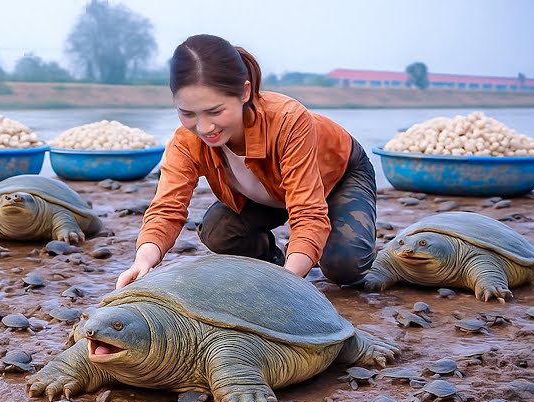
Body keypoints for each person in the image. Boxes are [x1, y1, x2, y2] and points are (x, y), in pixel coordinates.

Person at [117, 34, 376, 289]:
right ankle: (277, 264)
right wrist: (142, 262)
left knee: (344, 266)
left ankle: (302, 264)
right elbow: (166, 209)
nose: (205, 127)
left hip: (338, 176)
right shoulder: (186, 141)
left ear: (244, 92)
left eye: (216, 111)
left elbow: (307, 212)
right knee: (218, 231)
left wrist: (289, 285)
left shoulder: (289, 120)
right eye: (187, 113)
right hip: (272, 192)